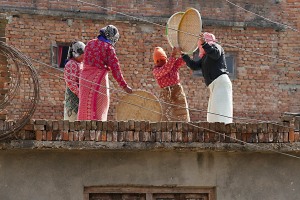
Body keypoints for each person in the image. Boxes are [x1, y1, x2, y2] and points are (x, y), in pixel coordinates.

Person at [77, 25, 132, 121]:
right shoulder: (108, 48)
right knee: (100, 108)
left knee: (85, 106)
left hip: (84, 80)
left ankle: (82, 133)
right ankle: (97, 133)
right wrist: (124, 86)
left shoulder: (90, 44)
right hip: (98, 80)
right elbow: (116, 69)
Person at [182, 32, 233, 123]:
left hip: (220, 82)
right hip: (214, 85)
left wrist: (204, 44)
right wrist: (183, 55)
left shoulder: (216, 47)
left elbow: (215, 54)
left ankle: (223, 134)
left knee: (220, 113)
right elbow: (194, 66)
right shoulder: (205, 56)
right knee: (213, 115)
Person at [153, 46, 190, 122]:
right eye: (158, 61)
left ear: (165, 58)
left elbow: (184, 60)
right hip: (165, 96)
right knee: (166, 118)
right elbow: (166, 69)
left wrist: (182, 52)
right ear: (156, 62)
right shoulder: (156, 71)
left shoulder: (173, 64)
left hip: (178, 93)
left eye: (162, 59)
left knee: (182, 115)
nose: (161, 61)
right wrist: (173, 56)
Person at [63, 41, 85, 121]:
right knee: (72, 120)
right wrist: (80, 94)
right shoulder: (71, 64)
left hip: (81, 95)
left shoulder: (81, 64)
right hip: (74, 96)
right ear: (75, 54)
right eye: (81, 55)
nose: (83, 57)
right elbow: (71, 82)